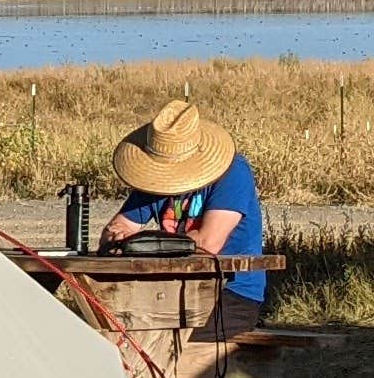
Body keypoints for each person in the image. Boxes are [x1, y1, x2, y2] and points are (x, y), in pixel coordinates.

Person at [100, 95, 268, 311]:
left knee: (136, 336)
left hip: (230, 291)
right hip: (169, 289)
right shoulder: (154, 181)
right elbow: (117, 228)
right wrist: (117, 237)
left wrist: (136, 243)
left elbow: (207, 243)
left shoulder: (233, 173)